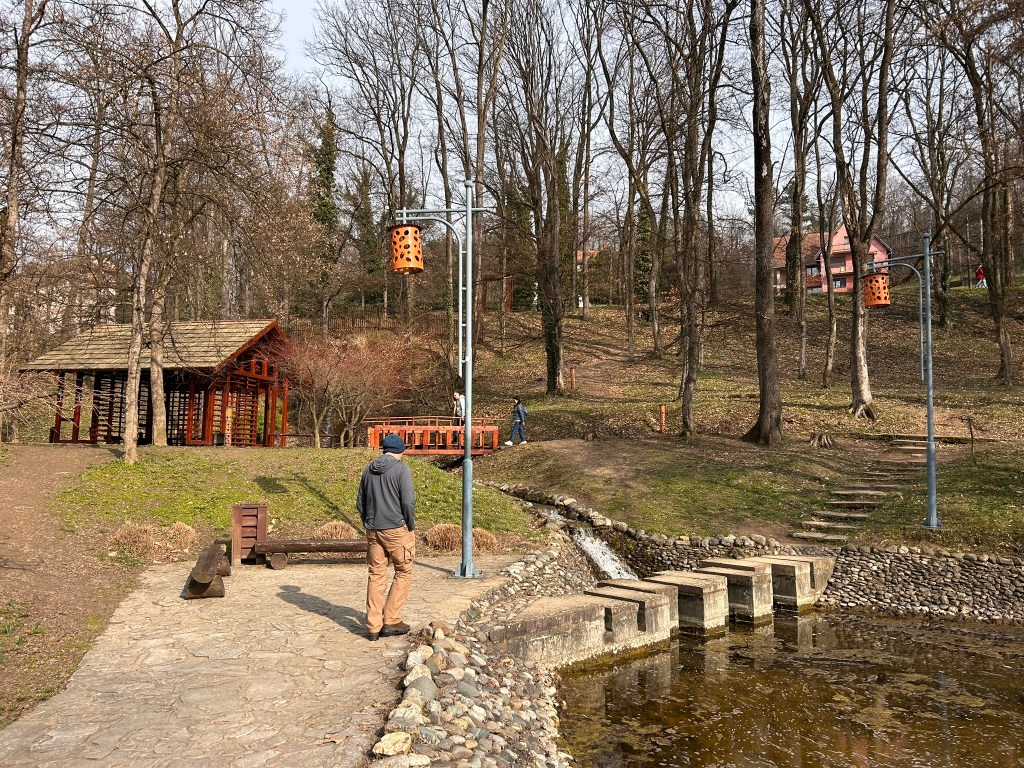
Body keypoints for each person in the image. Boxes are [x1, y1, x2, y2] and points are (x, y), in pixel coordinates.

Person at [356, 433, 416, 641]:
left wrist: (369, 522)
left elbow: (360, 503)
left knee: (376, 574)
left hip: (373, 529)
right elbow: (407, 501)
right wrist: (410, 524)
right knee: (403, 571)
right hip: (396, 529)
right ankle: (391, 619)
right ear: (401, 451)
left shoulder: (368, 470)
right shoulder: (401, 469)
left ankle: (373, 626)